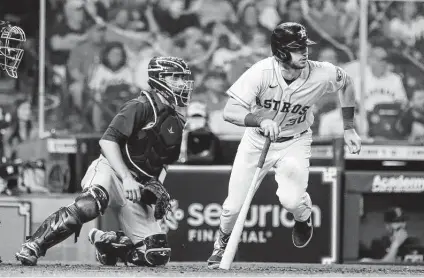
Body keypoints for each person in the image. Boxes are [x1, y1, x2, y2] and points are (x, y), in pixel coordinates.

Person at [207, 22, 362, 269]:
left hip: (295, 140)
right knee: (231, 207)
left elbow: (348, 83)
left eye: (305, 46)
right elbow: (230, 111)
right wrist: (260, 119)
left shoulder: (322, 72)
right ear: (280, 51)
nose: (305, 52)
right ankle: (222, 242)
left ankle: (303, 218)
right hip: (257, 140)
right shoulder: (261, 72)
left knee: (291, 201)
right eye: (297, 48)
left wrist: (349, 127)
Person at [15, 56, 194, 267]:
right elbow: (108, 142)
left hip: (136, 185)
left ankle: (107, 243)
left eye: (184, 78)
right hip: (111, 170)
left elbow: (164, 162)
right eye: (176, 77)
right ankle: (34, 245)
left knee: (156, 254)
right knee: (92, 202)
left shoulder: (177, 119)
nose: (183, 83)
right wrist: (126, 177)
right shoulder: (140, 106)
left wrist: (154, 185)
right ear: (160, 78)